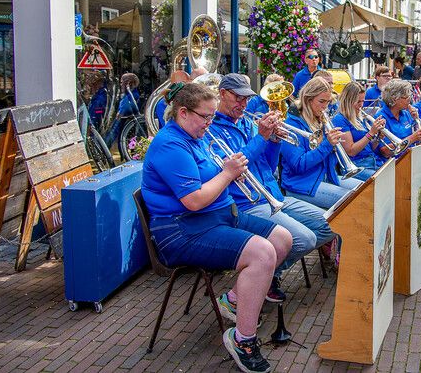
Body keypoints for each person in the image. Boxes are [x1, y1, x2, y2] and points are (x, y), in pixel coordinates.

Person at [140, 82, 292, 373]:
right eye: (205, 117)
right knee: (262, 254)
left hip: (218, 216)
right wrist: (227, 173)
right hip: (183, 230)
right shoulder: (171, 144)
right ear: (183, 113)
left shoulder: (197, 136)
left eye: (212, 117)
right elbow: (194, 201)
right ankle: (243, 340)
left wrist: (229, 166)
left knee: (282, 239)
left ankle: (234, 300)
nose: (210, 124)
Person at [209, 73, 333, 304]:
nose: (243, 104)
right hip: (248, 202)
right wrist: (262, 137)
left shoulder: (247, 121)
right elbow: (237, 166)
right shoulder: (212, 129)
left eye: (246, 99)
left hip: (273, 194)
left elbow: (265, 162)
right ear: (222, 94)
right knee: (304, 239)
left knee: (332, 222)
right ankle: (247, 288)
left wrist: (273, 142)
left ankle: (267, 275)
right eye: (237, 98)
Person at [280, 77, 362, 209]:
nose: (325, 107)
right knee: (355, 203)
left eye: (328, 102)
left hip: (325, 176)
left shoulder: (320, 120)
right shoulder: (291, 125)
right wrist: (327, 145)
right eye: (322, 101)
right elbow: (298, 165)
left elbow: (327, 159)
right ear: (308, 100)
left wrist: (334, 149)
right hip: (301, 183)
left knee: (366, 191)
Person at [332, 81, 386, 180]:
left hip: (372, 161)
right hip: (358, 165)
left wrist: (378, 138)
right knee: (386, 180)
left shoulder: (359, 117)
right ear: (348, 101)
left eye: (363, 101)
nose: (361, 105)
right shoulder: (339, 119)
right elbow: (351, 151)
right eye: (358, 102)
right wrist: (371, 133)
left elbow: (369, 147)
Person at [374, 79, 421, 158]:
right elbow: (385, 151)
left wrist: (417, 120)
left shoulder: (406, 113)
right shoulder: (380, 117)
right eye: (406, 97)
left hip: (411, 156)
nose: (410, 100)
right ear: (394, 99)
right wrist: (412, 138)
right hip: (394, 161)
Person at [104, 73, 140, 148]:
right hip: (123, 119)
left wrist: (120, 113)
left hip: (124, 119)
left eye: (121, 82)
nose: (120, 85)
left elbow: (127, 108)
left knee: (113, 133)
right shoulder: (130, 93)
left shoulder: (132, 94)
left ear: (128, 83)